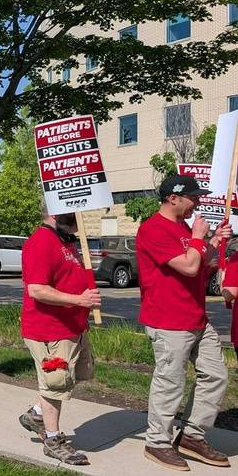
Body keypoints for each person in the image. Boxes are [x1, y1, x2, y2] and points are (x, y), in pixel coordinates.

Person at [137, 175, 231, 471]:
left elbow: (202, 263)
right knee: (170, 383)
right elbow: (190, 266)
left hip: (196, 318)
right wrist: (200, 239)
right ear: (174, 198)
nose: (198, 202)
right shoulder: (153, 229)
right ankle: (158, 443)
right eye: (194, 197)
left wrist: (214, 241)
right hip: (168, 321)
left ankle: (192, 436)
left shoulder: (184, 228)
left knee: (216, 376)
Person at [16, 202, 100, 466]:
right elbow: (37, 290)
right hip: (48, 329)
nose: (81, 217)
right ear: (56, 211)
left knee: (72, 377)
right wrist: (79, 300)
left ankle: (37, 414)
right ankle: (53, 440)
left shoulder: (67, 241)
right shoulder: (40, 242)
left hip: (71, 326)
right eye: (76, 211)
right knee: (56, 382)